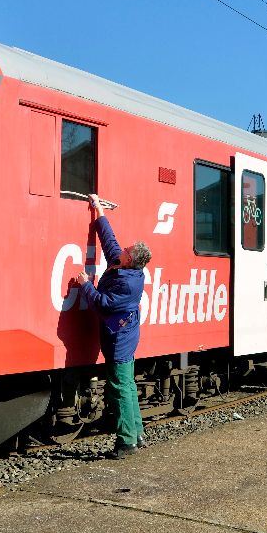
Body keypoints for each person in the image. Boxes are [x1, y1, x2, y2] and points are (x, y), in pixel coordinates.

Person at [72, 194, 152, 459]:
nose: (122, 250)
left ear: (130, 260)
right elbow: (110, 241)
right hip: (124, 334)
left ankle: (126, 441)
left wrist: (85, 284)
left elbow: (103, 304)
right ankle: (137, 433)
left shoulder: (128, 283)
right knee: (127, 384)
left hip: (119, 337)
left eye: (126, 251)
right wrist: (99, 211)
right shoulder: (124, 266)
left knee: (119, 387)